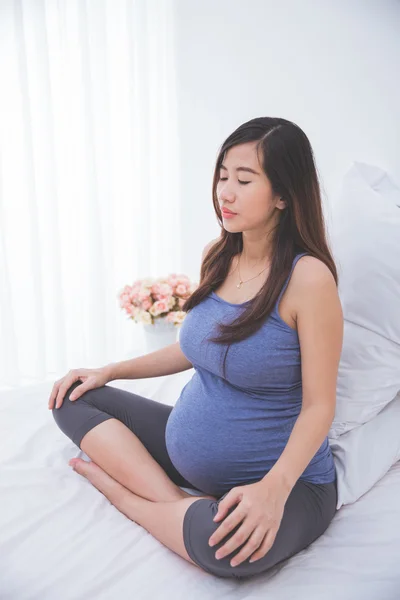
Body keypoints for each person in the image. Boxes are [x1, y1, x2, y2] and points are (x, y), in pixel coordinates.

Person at [49, 116, 343, 580]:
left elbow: (319, 406)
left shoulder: (309, 280)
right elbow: (197, 348)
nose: (225, 192)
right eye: (223, 175)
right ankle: (173, 503)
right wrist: (111, 371)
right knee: (70, 396)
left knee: (224, 550)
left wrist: (273, 489)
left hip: (287, 482)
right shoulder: (219, 254)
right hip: (189, 457)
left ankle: (127, 497)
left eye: (244, 180)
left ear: (284, 195)